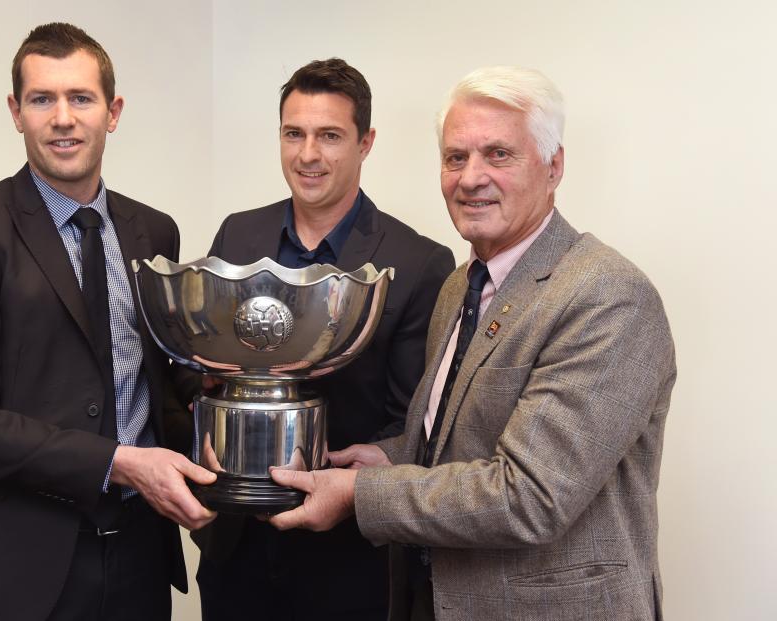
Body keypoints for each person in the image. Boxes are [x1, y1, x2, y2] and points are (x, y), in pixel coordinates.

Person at [270, 66, 677, 621]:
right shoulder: (463, 285)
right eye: (455, 158)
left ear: (553, 166)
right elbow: (458, 443)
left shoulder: (606, 296)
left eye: (498, 155)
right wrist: (386, 459)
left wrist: (359, 496)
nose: (470, 178)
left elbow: (529, 496)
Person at [0, 22, 215, 621]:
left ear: (113, 111)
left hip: (138, 559)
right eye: (42, 99)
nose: (63, 117)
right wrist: (118, 462)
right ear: (16, 112)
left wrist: (219, 396)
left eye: (81, 98)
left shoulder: (155, 231)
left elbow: (153, 381)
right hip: (10, 568)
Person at [192, 58, 455, 621]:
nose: (308, 155)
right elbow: (206, 365)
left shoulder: (418, 262)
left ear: (366, 143)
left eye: (329, 136)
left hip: (348, 563)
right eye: (294, 134)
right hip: (235, 551)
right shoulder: (238, 234)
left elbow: (412, 424)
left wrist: (349, 488)